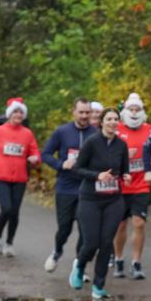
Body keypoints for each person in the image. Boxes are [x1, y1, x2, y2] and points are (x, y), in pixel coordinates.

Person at [69, 107, 131, 299]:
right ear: (102, 122)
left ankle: (99, 285)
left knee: (106, 243)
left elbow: (124, 169)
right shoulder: (92, 142)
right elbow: (77, 169)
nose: (113, 122)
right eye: (109, 119)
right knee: (91, 242)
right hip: (90, 199)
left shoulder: (122, 145)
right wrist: (97, 175)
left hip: (113, 199)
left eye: (116, 119)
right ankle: (79, 267)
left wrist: (126, 176)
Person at [41, 98, 96, 272]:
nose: (84, 116)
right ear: (73, 112)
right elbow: (46, 154)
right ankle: (57, 251)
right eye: (81, 112)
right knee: (64, 228)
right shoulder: (62, 132)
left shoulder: (96, 134)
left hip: (87, 188)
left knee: (85, 229)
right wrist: (60, 164)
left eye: (87, 112)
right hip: (65, 187)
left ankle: (79, 266)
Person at [0, 98, 40, 257]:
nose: (18, 115)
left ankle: (9, 243)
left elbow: (35, 152)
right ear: (9, 114)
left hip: (20, 179)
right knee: (6, 208)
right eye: (15, 111)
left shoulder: (27, 134)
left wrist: (35, 159)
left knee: (14, 212)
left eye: (21, 112)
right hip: (0, 176)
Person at [112, 93, 151, 279]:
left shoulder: (149, 129)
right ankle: (118, 259)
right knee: (120, 225)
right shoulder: (117, 129)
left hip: (141, 185)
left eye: (137, 109)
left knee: (139, 223)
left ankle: (136, 263)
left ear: (142, 111)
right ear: (125, 111)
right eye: (131, 109)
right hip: (121, 185)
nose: (134, 112)